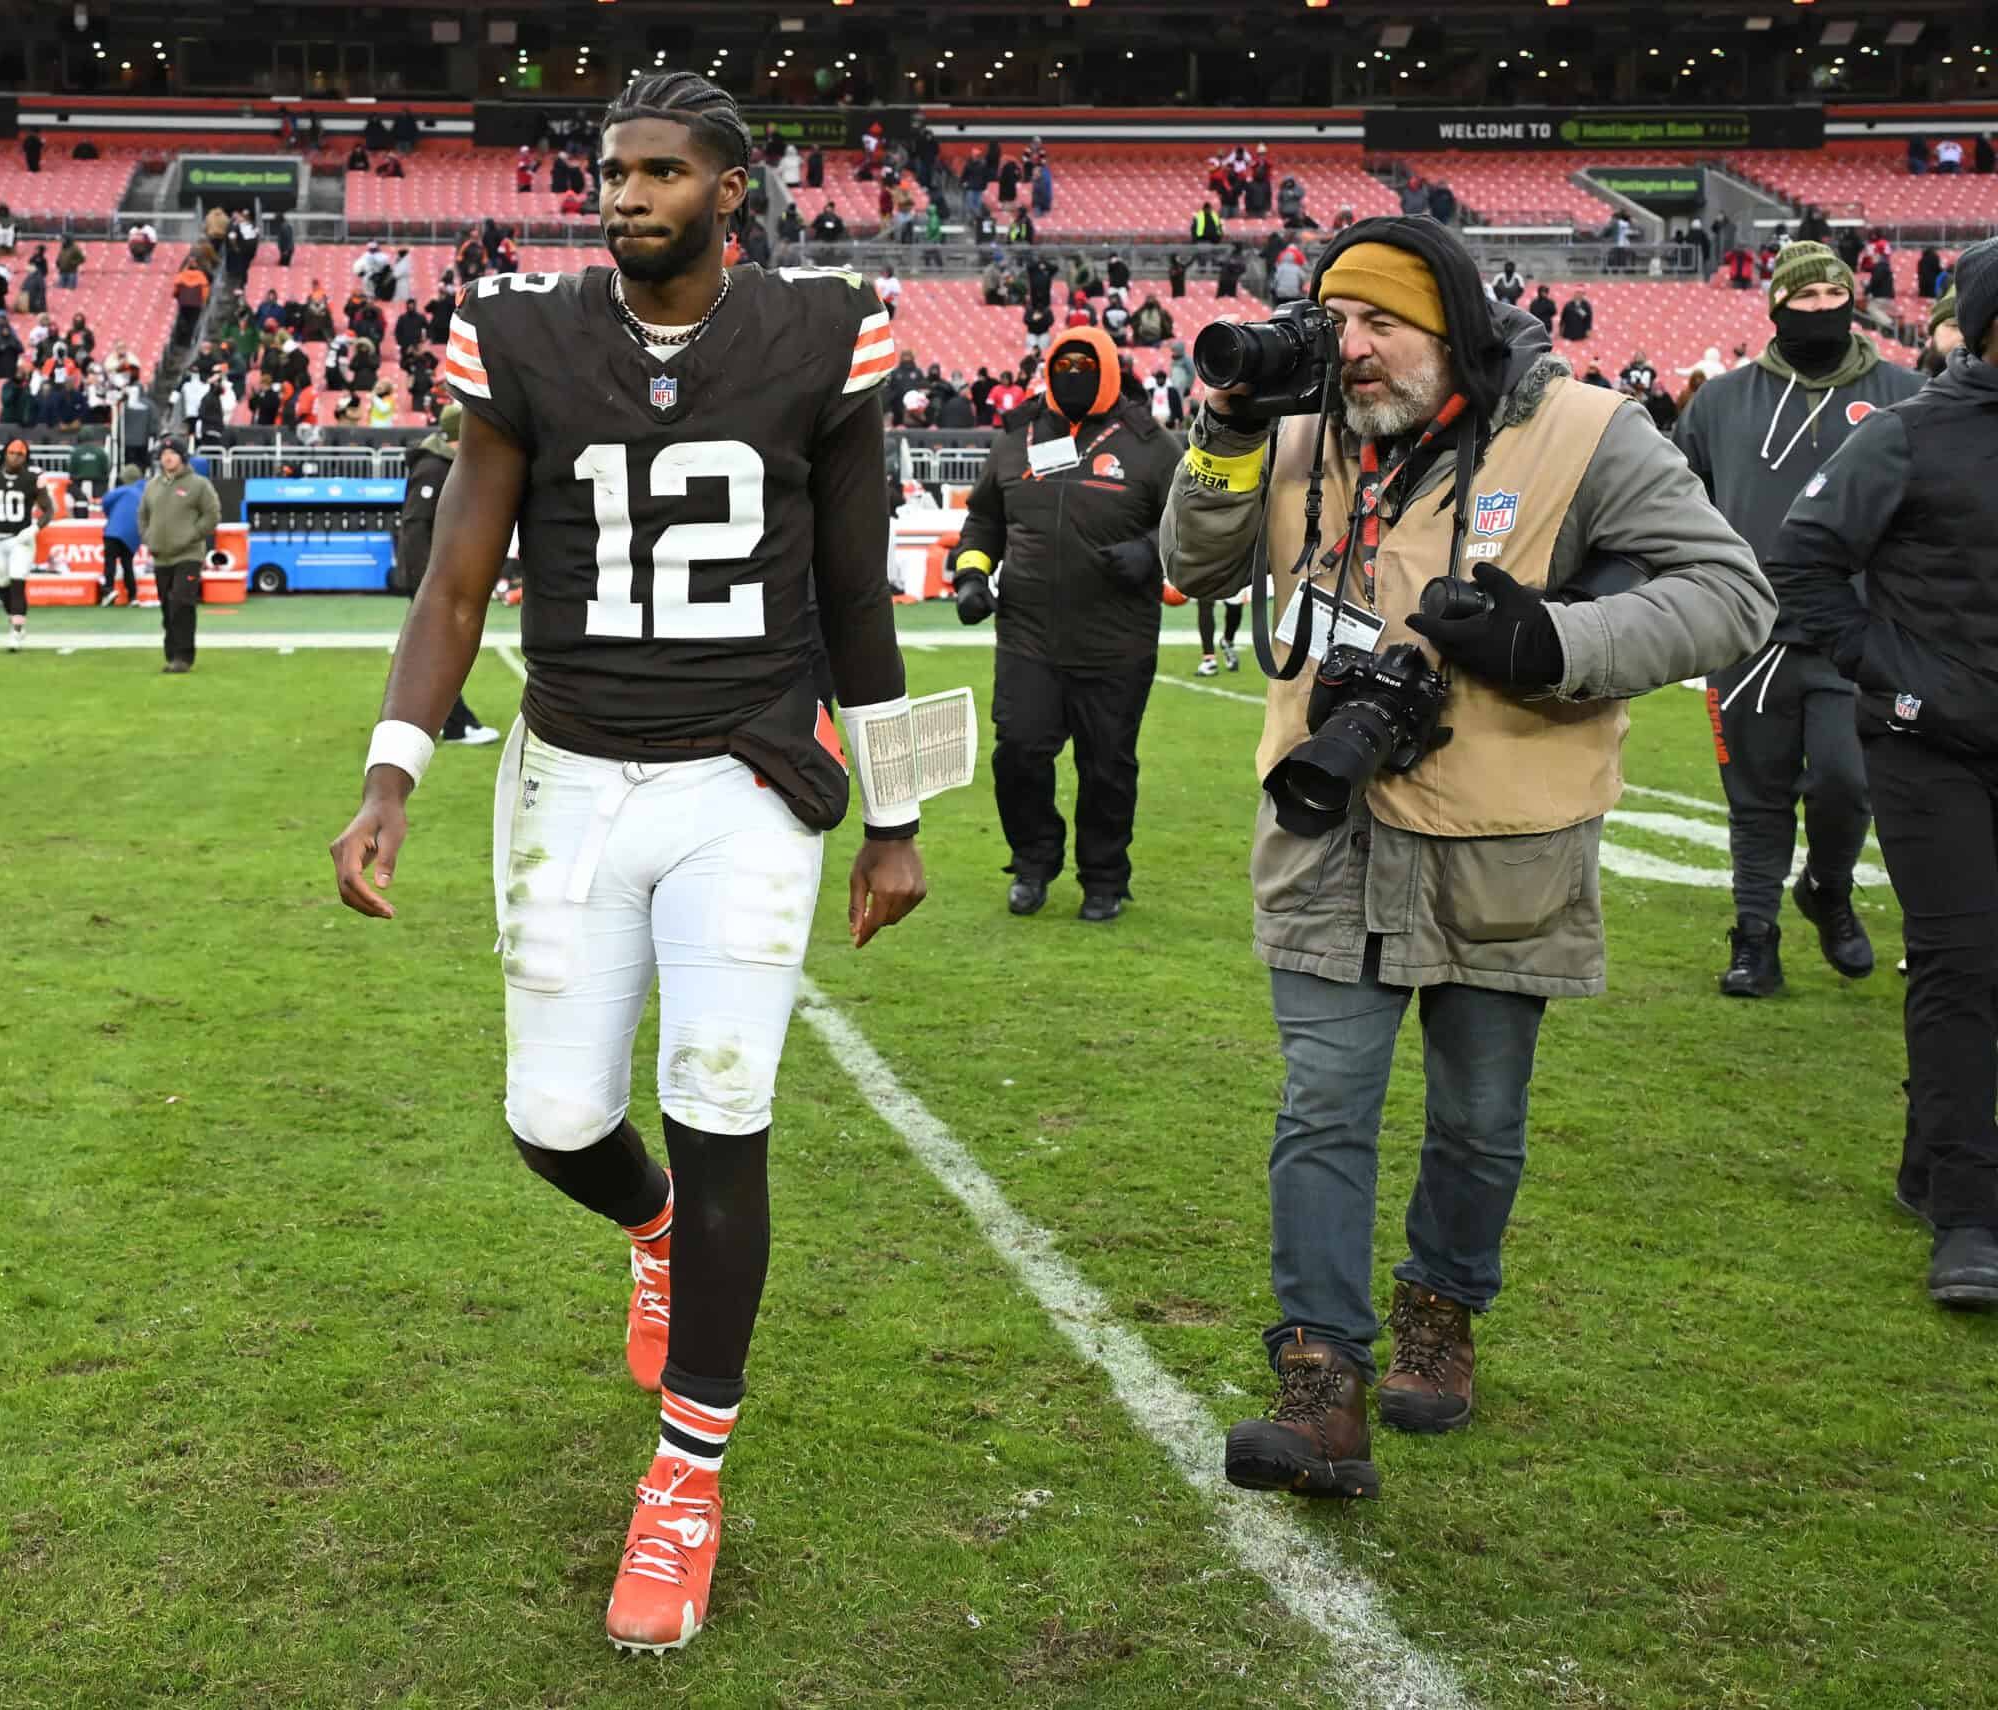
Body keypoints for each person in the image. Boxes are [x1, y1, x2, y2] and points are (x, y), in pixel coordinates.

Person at [326, 72, 927, 1655]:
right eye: (611, 171)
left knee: (724, 1097)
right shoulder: (525, 338)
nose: (626, 195)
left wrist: (900, 816)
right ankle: (652, 1229)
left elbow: (859, 597)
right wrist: (392, 775)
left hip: (748, 773)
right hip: (572, 768)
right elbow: (457, 586)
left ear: (731, 191)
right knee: (553, 1118)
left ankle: (686, 1477)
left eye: (662, 171)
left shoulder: (821, 331)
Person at [1159, 216, 1772, 1499]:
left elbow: (1731, 595)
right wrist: (1224, 431)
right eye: (1335, 320)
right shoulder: (1295, 428)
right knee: (1321, 1107)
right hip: (1328, 821)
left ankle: (1440, 1306)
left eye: (1382, 323)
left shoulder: (1584, 430)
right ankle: (1319, 1376)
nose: (1350, 348)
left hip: (1507, 840)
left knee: (1479, 1121)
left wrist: (1551, 641)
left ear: (1453, 329)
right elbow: (1191, 564)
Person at [1766, 235, 1998, 1306]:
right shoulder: (1907, 433)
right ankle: (1969, 1212)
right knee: (1961, 961)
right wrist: (1893, 672)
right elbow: (1803, 560)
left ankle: (1928, 1161)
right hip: (1928, 743)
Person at [1672, 240, 1923, 997]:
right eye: (1804, 298)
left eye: (1833, 295)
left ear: (1853, 300)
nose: (1821, 309)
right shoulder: (1720, 402)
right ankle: (1754, 940)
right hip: (1749, 633)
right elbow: (1676, 503)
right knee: (1755, 798)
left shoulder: (1907, 394)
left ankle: (1828, 887)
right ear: (1776, 305)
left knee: (1846, 783)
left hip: (1859, 632)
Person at [947, 326, 1179, 921]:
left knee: (1107, 768)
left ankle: (1104, 878)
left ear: (1109, 370)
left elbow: (1193, 523)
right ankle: (1032, 862)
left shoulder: (1152, 445)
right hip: (1027, 637)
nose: (1073, 375)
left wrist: (1150, 551)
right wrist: (971, 576)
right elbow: (984, 522)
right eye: (1063, 365)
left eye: (1085, 366)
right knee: (1018, 754)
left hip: (1116, 642)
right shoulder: (1016, 438)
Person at [393, 403, 499, 741]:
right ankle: (456, 724)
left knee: (432, 651)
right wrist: (425, 580)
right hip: (430, 577)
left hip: (433, 575)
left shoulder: (443, 466)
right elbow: (415, 526)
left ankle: (435, 719)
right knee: (440, 651)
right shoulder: (433, 469)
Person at [138, 436, 218, 674]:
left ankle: (183, 657)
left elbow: (212, 515)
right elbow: (142, 515)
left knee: (182, 603)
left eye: (172, 453)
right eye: (164, 454)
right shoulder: (152, 485)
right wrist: (148, 537)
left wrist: (191, 535)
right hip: (161, 556)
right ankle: (172, 654)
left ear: (182, 457)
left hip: (188, 555)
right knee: (167, 607)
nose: (167, 458)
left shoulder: (199, 484)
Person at [0, 437, 52, 652]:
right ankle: (15, 620)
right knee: (2, 584)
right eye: (12, 453)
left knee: (17, 580)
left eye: (20, 454)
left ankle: (16, 632)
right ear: (4, 453)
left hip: (21, 539)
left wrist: (34, 529)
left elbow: (49, 510)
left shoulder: (34, 476)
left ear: (26, 457)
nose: (15, 457)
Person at [98, 462, 143, 606]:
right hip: (133, 533)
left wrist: (111, 514)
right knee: (127, 564)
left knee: (110, 561)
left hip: (114, 530)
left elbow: (105, 501)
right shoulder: (144, 492)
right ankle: (133, 596)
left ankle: (109, 590)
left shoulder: (122, 490)